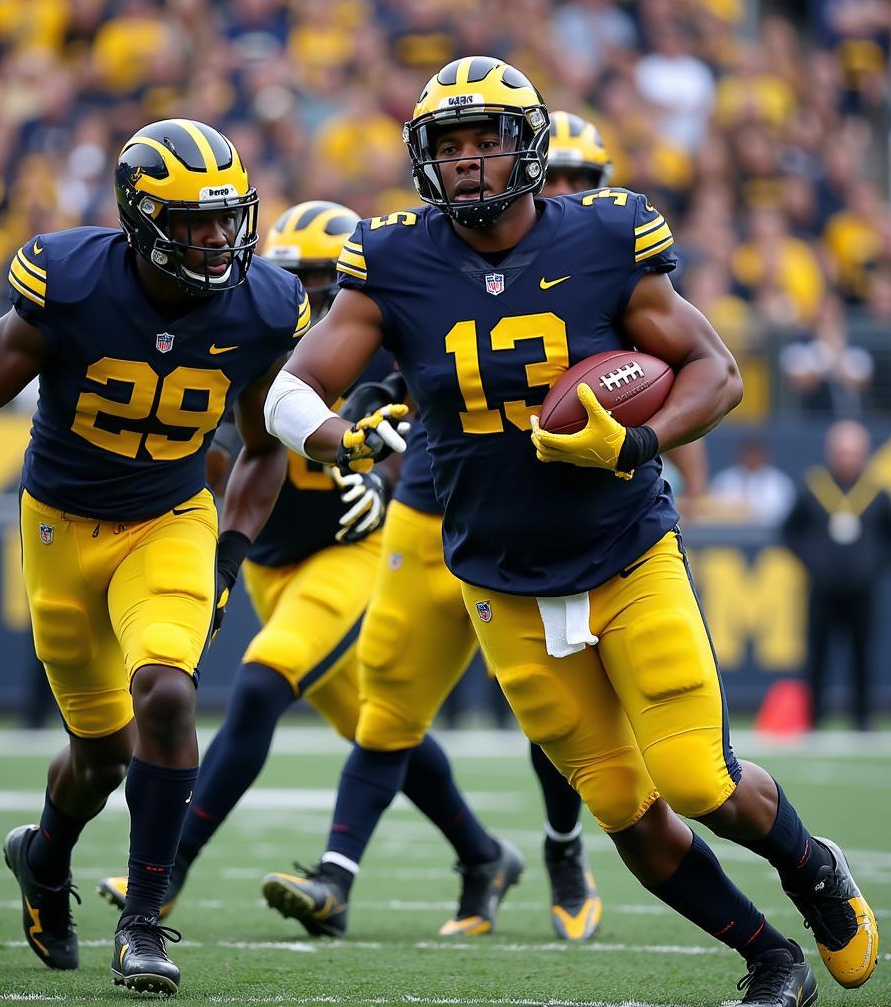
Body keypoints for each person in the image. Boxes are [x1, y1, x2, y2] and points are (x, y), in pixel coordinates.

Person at [261, 58, 878, 1005]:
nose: (469, 163)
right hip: (499, 582)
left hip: (626, 554)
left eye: (488, 140)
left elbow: (716, 371)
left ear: (531, 146)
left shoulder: (605, 238)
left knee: (697, 781)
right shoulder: (392, 258)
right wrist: (344, 436)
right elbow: (290, 392)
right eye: (450, 146)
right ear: (425, 160)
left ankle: (813, 871)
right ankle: (769, 957)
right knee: (625, 810)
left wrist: (637, 443)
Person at [0, 118, 311, 996]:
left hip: (171, 517)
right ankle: (44, 858)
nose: (216, 238)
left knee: (167, 689)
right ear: (140, 219)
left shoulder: (265, 304)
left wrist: (230, 553)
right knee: (101, 756)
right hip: (60, 526)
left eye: (226, 218)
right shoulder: (73, 283)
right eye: (194, 222)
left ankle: (143, 922)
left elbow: (266, 442)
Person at [96, 201, 520, 937]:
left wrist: (385, 482)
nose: (315, 300)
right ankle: (483, 856)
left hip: (351, 551)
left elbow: (433, 440)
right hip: (271, 564)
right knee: (380, 727)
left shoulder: (386, 343)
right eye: (298, 279)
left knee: (261, 682)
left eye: (329, 280)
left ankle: (165, 875)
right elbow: (229, 453)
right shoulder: (242, 333)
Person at [263, 114, 623, 946]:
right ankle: (337, 877)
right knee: (388, 693)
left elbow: (680, 368)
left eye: (581, 181)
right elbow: (386, 356)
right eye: (555, 174)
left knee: (559, 710)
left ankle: (565, 847)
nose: (562, 194)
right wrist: (360, 425)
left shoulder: (611, 259)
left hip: (569, 510)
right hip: (438, 497)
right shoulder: (437, 251)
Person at [782, 420, 891, 730]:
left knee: (863, 655)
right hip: (823, 587)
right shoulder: (814, 488)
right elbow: (789, 531)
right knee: (818, 654)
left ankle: (863, 720)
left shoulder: (877, 494)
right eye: (843, 451)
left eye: (854, 452)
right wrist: (811, 561)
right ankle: (814, 719)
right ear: (831, 452)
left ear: (865, 454)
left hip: (862, 590)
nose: (848, 458)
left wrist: (873, 566)